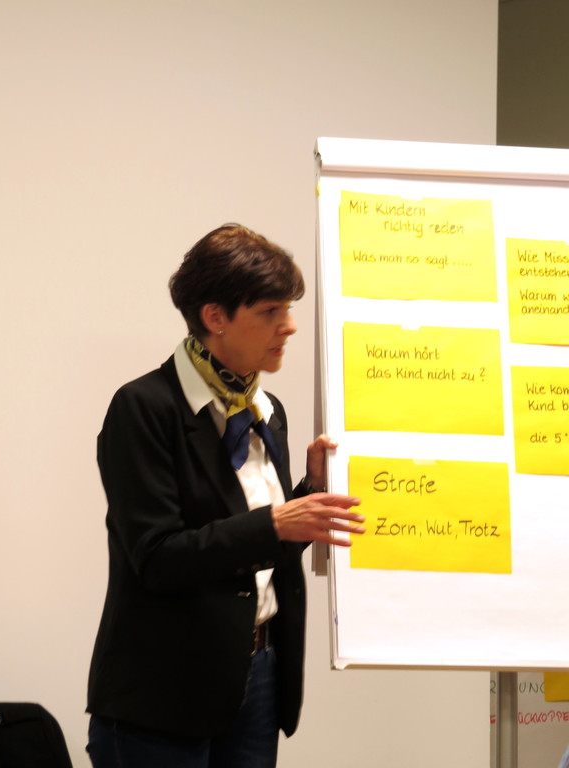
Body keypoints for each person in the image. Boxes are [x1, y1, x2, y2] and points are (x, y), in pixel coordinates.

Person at [86, 223, 364, 768]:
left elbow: (257, 552)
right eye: (270, 311)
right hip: (162, 694)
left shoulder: (267, 410)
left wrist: (309, 493)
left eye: (289, 309)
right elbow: (157, 557)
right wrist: (277, 522)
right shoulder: (144, 408)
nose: (290, 326)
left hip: (257, 675)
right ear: (215, 317)